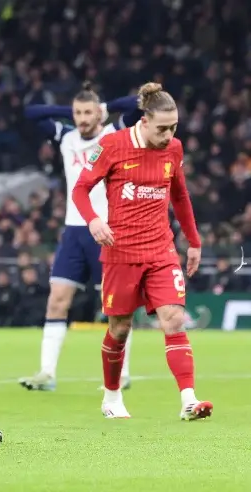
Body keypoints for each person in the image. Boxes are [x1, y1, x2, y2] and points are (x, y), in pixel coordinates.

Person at [72, 82, 212, 420]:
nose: (169, 135)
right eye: (163, 128)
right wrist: (93, 221)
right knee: (119, 328)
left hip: (161, 250)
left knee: (174, 319)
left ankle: (189, 400)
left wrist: (194, 242)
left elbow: (180, 196)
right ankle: (112, 396)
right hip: (120, 253)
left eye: (174, 127)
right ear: (144, 121)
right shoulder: (112, 145)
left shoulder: (174, 150)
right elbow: (80, 189)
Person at [19, 82, 141, 391]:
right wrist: (69, 112)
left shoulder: (114, 132)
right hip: (74, 230)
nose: (82, 119)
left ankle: (122, 373)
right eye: (78, 113)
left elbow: (140, 104)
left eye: (88, 112)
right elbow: (31, 113)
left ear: (99, 113)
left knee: (115, 306)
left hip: (107, 229)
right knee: (57, 300)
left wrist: (105, 107)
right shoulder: (66, 136)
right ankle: (47, 374)